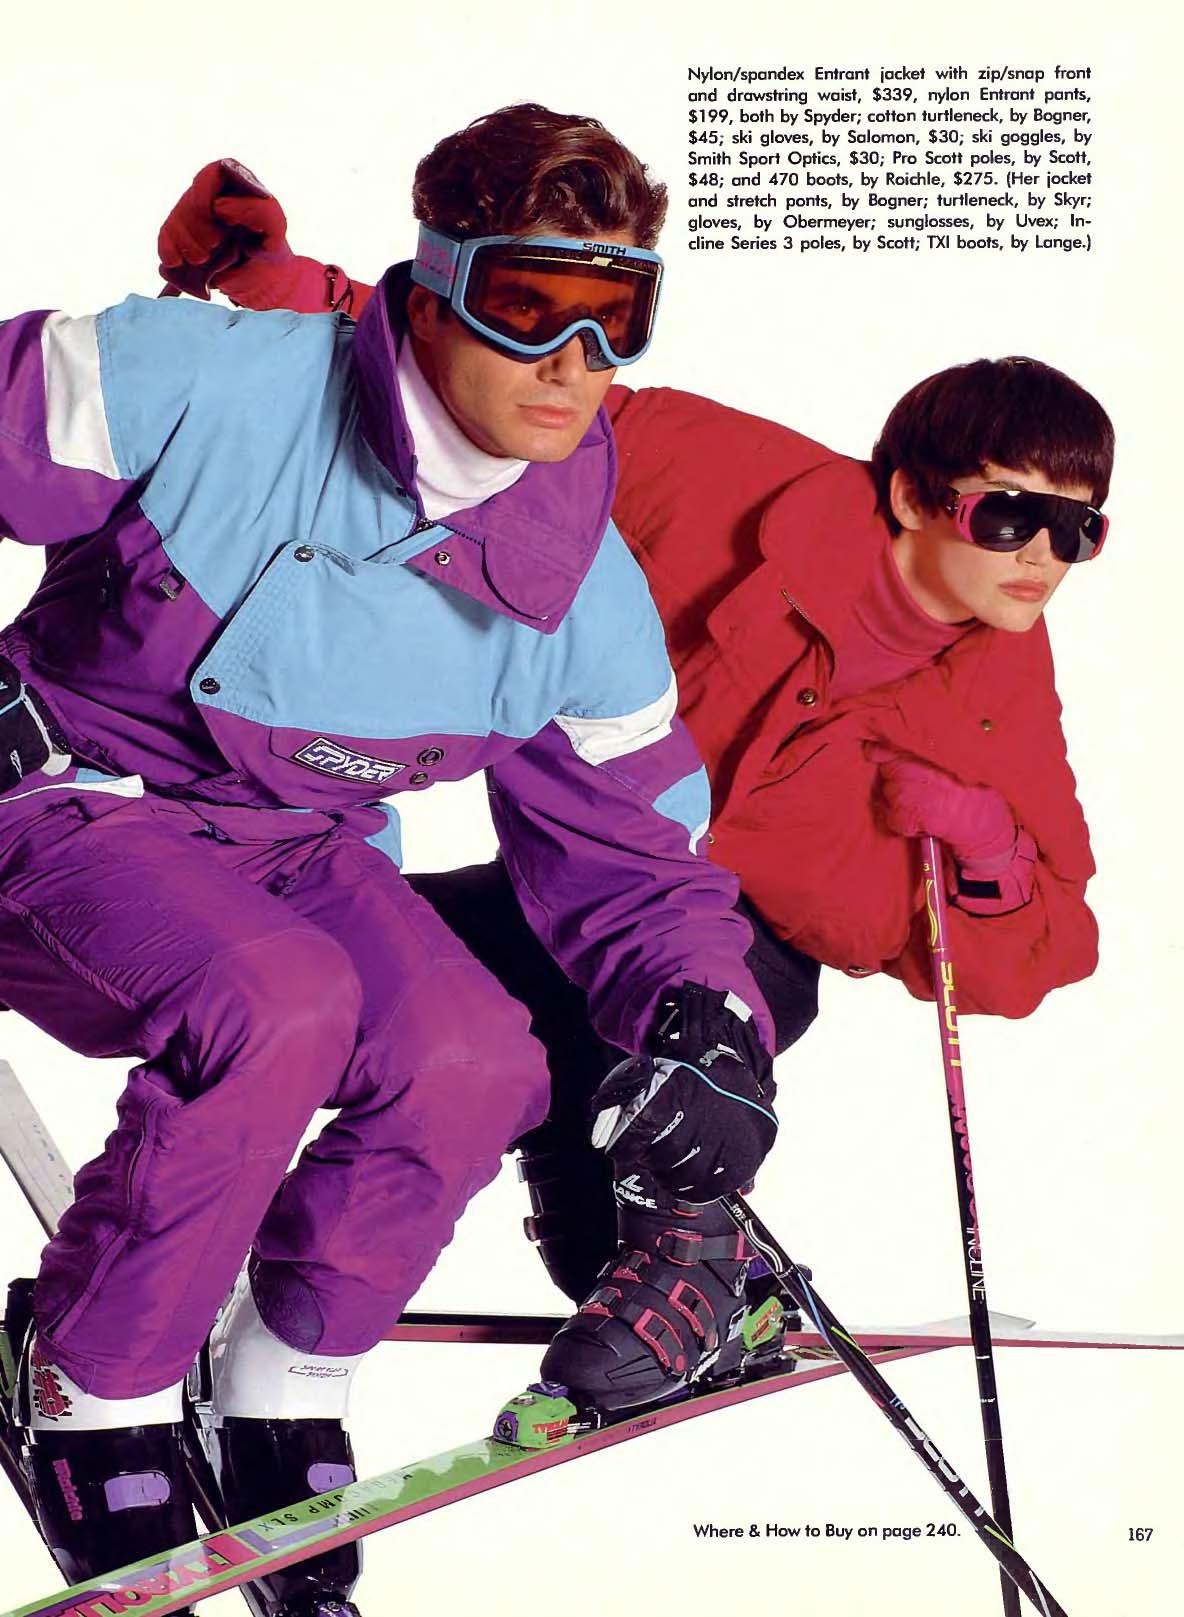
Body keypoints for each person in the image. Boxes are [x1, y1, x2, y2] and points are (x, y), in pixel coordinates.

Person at [156, 160, 1114, 1410]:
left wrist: (983, 850)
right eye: (1008, 517)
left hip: (727, 949)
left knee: (703, 988)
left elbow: (1041, 954)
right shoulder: (722, 475)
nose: (1042, 557)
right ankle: (199, 1246)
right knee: (335, 959)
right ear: (910, 496)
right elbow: (505, 399)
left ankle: (690, 1259)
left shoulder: (1000, 681)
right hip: (582, 876)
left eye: (1078, 529)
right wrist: (282, 286)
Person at [0, 104, 778, 1614]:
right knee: (278, 1001)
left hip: (291, 845)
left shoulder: (580, 584)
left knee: (476, 1053)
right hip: (64, 803)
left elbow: (634, 856)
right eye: (528, 306)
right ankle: (85, 1383)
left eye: (616, 317)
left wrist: (710, 1023)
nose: (572, 363)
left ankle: (278, 1379)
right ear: (429, 293)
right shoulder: (206, 380)